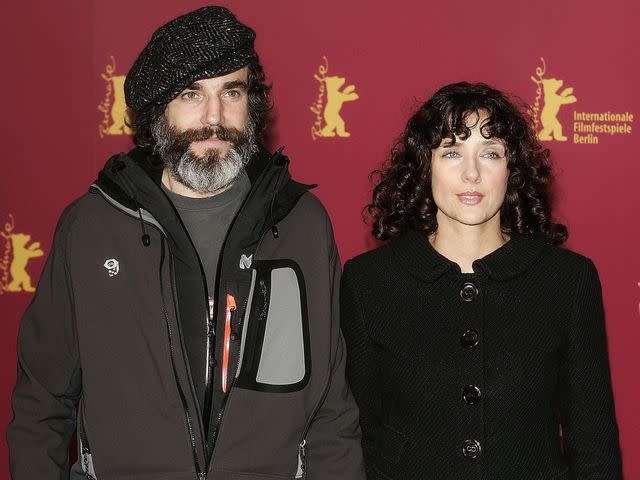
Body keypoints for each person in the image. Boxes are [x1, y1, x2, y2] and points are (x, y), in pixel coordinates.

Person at [8, 6, 364, 480]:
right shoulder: (91, 226)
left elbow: (330, 410)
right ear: (159, 110)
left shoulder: (301, 223)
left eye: (231, 92)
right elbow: (42, 403)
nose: (214, 118)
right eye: (191, 94)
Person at [340, 82, 622, 479]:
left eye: (490, 154)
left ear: (513, 169)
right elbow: (355, 436)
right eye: (452, 152)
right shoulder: (368, 282)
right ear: (426, 165)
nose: (471, 173)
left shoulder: (567, 281)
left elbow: (594, 444)